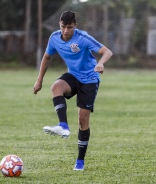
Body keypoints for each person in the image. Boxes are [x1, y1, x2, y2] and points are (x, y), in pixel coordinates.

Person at [33, 11, 113, 171]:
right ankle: (63, 125)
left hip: (90, 79)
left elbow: (107, 52)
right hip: (73, 75)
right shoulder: (54, 38)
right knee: (56, 87)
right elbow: (47, 57)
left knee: (83, 120)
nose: (66, 31)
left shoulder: (83, 38)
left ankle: (80, 161)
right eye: (63, 27)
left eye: (69, 27)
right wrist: (39, 79)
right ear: (59, 25)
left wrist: (101, 63)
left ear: (75, 26)